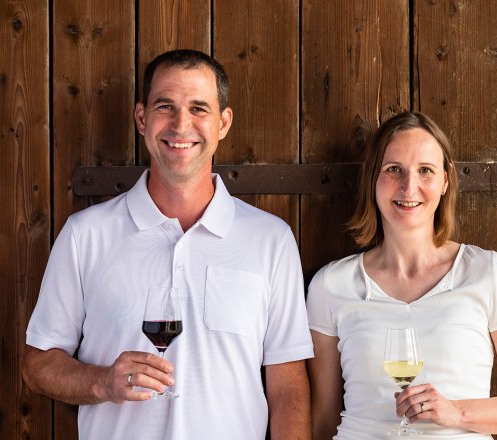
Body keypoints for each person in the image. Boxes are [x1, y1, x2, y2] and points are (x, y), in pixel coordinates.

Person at [22, 49, 313, 439]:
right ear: (142, 118)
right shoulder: (84, 235)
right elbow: (37, 365)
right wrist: (103, 382)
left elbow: (288, 383)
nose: (181, 125)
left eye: (199, 109)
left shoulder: (271, 239)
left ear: (223, 123)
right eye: (165, 106)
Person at [306, 111, 497, 439]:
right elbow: (323, 420)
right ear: (373, 179)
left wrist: (455, 412)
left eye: (425, 171)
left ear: (445, 181)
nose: (410, 187)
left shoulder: (485, 273)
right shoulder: (330, 285)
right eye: (394, 170)